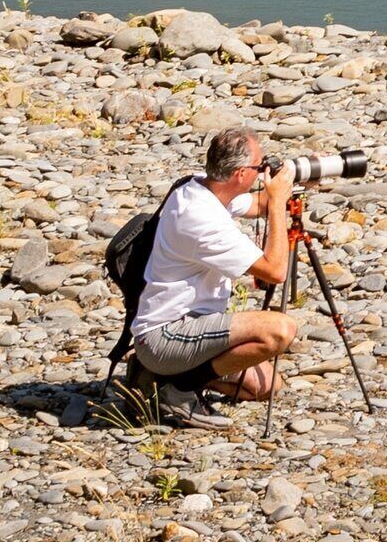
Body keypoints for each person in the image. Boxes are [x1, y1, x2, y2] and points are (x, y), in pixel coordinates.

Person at [124, 127, 302, 421]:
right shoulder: (201, 219)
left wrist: (295, 182)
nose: (262, 172)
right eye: (259, 168)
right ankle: (178, 389)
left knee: (267, 386)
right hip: (166, 335)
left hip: (192, 326)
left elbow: (259, 204)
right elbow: (275, 270)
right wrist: (279, 205)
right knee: (279, 331)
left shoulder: (202, 187)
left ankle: (157, 380)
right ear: (241, 175)